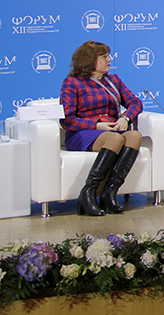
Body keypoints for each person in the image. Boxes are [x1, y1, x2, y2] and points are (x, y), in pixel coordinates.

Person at [60, 41, 143, 216]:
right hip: (82, 133)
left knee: (135, 135)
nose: (109, 60)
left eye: (108, 56)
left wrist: (125, 118)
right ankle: (88, 193)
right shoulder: (72, 83)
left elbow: (135, 103)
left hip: (111, 130)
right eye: (104, 57)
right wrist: (96, 125)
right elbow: (67, 120)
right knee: (115, 138)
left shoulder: (113, 81)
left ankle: (109, 192)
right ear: (90, 60)